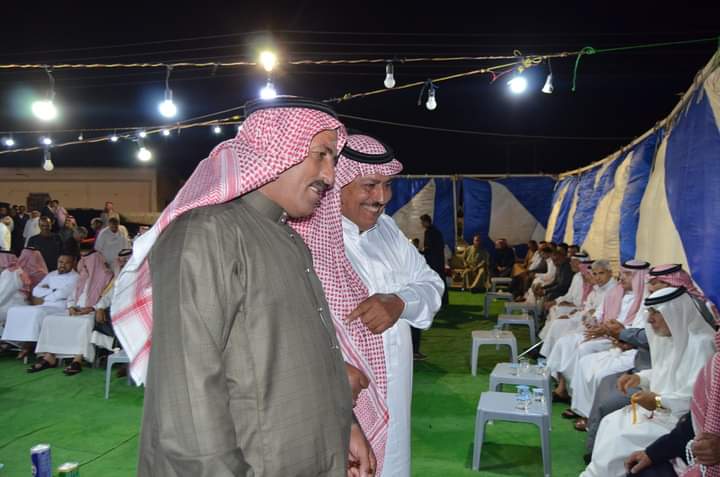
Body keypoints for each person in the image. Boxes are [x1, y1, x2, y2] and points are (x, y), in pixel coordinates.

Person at [111, 97, 373, 476]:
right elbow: (187, 408)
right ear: (274, 150)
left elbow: (311, 357)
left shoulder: (291, 241)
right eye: (321, 155)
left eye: (332, 159)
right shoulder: (206, 234)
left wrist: (344, 425)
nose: (330, 176)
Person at [336, 134, 444, 476]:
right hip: (340, 398)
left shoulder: (387, 230)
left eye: (387, 185)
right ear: (339, 183)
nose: (382, 197)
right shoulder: (310, 237)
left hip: (396, 395)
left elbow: (432, 284)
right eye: (370, 185)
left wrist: (400, 302)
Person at [581, 287, 716, 477]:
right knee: (610, 422)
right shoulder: (669, 337)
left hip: (677, 423)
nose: (650, 319)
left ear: (675, 312)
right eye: (649, 312)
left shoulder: (702, 344)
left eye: (656, 312)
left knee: (619, 438)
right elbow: (665, 372)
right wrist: (640, 378)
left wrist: (659, 401)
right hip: (658, 413)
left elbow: (698, 399)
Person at [32, 247, 114, 374]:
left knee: (84, 323)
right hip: (76, 309)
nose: (84, 263)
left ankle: (78, 359)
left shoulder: (107, 277)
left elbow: (108, 298)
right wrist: (71, 306)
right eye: (83, 260)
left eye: (87, 261)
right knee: (50, 320)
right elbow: (71, 296)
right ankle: (49, 356)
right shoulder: (82, 276)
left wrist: (92, 308)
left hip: (93, 311)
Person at [1, 254, 77, 359]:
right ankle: (12, 341)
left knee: (37, 313)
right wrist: (53, 291)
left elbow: (63, 293)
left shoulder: (75, 277)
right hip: (46, 304)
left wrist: (46, 292)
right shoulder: (52, 274)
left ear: (73, 264)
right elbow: (36, 291)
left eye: (67, 263)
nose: (63, 265)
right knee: (14, 310)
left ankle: (28, 344)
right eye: (60, 262)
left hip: (60, 307)